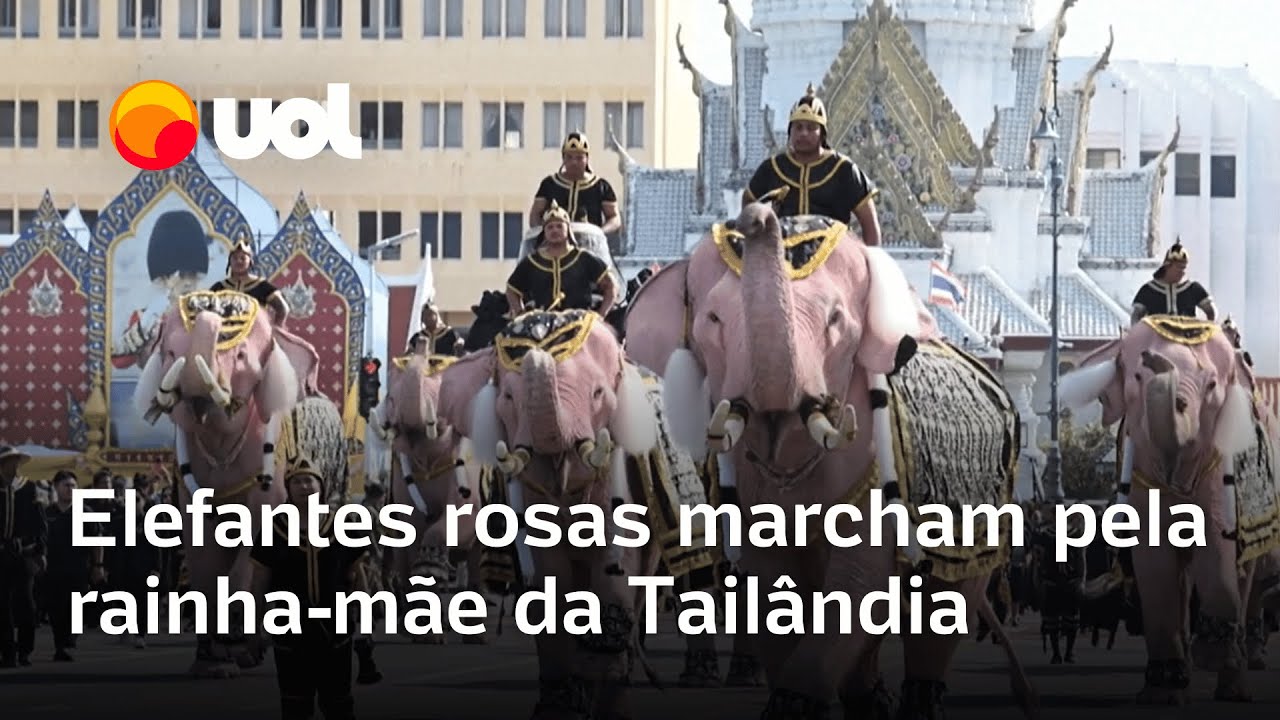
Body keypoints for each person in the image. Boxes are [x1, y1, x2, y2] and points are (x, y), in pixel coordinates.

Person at [250, 453, 367, 720]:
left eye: (310, 481)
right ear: (288, 489)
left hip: (335, 630)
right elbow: (259, 583)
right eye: (298, 482)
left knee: (339, 705)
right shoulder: (274, 528)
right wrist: (252, 628)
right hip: (290, 631)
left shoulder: (342, 524)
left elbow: (358, 576)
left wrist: (366, 623)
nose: (305, 487)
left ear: (321, 487)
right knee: (295, 706)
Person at [742, 84, 882, 245]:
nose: (803, 133)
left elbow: (869, 223)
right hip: (784, 251)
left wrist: (871, 261)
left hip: (834, 253)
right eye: (798, 127)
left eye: (811, 128)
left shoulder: (844, 169)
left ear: (822, 133)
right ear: (790, 131)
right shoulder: (772, 167)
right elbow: (749, 202)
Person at [506, 200, 617, 317]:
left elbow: (611, 285)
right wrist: (521, 314)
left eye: (559, 226)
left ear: (568, 230)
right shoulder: (532, 261)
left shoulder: (584, 258)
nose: (554, 230)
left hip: (580, 320)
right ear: (544, 233)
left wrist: (601, 315)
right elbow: (512, 290)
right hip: (541, 325)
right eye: (550, 227)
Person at [42, 471, 106, 661]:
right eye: (66, 485)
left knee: (76, 608)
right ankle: (60, 645)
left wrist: (98, 566)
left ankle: (70, 640)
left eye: (73, 486)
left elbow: (98, 541)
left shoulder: (86, 512)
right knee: (56, 609)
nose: (70, 489)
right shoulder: (47, 513)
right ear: (55, 487)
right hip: (52, 570)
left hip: (79, 569)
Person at [0, 445, 46, 668]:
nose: (15, 465)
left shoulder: (28, 488)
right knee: (2, 605)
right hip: (1, 553)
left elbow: (40, 523)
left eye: (17, 460)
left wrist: (39, 551)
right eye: (10, 461)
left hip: (23, 553)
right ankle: (8, 652)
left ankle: (25, 650)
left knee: (26, 603)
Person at [528, 131, 622, 234]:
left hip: (589, 244)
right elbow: (535, 214)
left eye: (579, 157)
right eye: (569, 157)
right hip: (554, 244)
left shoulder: (601, 186)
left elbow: (614, 218)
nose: (574, 162)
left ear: (587, 158)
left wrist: (600, 233)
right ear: (563, 158)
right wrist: (543, 234)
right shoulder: (549, 184)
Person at [1130, 242, 1217, 324]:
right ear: (1168, 266)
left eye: (1184, 268)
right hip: (1157, 337)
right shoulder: (1148, 290)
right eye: (1179, 267)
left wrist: (1206, 330)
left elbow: (1211, 311)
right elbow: (1136, 316)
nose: (1183, 272)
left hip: (1187, 337)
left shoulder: (1193, 288)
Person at [210, 236, 291, 326]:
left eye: (243, 258)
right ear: (229, 262)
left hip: (255, 333)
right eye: (235, 258)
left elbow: (283, 308)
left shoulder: (262, 286)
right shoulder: (219, 287)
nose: (239, 261)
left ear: (250, 261)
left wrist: (274, 330)